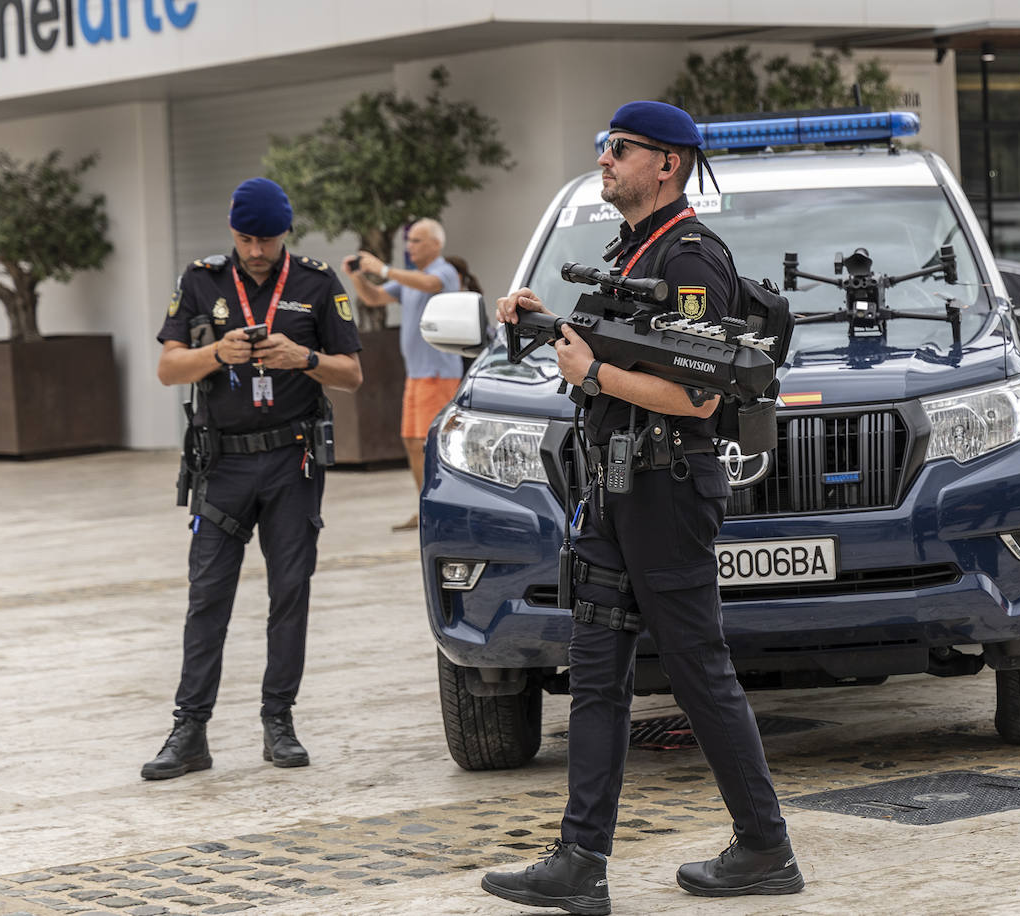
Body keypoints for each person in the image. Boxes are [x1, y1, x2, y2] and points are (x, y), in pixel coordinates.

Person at [481, 102, 803, 914]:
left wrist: (590, 376)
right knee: (595, 675)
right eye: (604, 146)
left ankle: (766, 847)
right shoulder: (633, 250)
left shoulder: (693, 257)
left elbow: (695, 395)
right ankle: (579, 861)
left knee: (698, 671)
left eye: (618, 149)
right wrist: (543, 321)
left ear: (668, 163)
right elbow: (623, 345)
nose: (605, 159)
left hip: (665, 488)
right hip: (615, 486)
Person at [142, 177, 363, 781]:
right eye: (245, 238)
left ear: (285, 233)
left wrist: (305, 359)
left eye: (265, 239)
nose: (256, 250)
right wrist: (218, 354)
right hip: (223, 464)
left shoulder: (317, 283)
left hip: (293, 462)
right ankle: (190, 731)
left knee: (289, 592)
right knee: (207, 596)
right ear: (232, 232)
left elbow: (352, 375)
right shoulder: (202, 279)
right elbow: (167, 368)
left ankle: (279, 721)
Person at [341, 218, 463, 531]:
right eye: (409, 241)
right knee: (411, 441)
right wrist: (358, 277)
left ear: (436, 244)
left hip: (437, 374)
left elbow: (429, 286)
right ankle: (426, 506)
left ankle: (444, 508)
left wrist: (383, 269)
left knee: (433, 442)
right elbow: (374, 298)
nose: (410, 246)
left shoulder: (442, 272)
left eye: (417, 241)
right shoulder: (410, 279)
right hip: (417, 375)